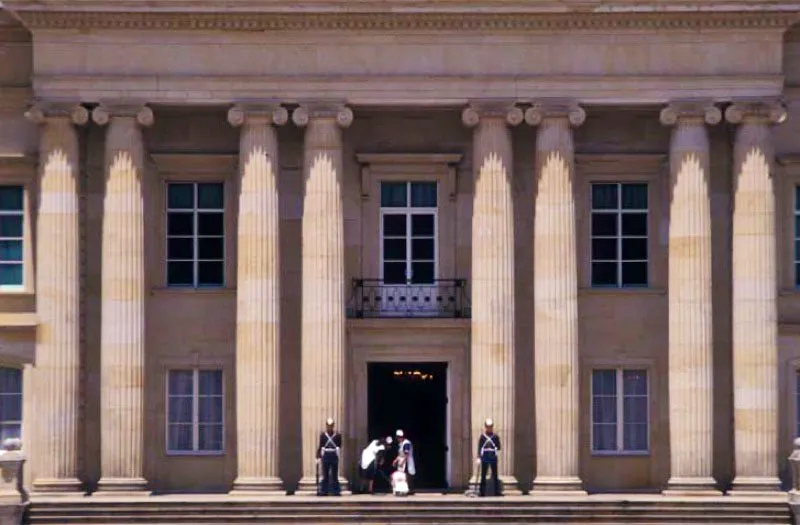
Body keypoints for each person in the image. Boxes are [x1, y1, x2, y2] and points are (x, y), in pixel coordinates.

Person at [316, 417, 342, 496]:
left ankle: (336, 491)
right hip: (326, 455)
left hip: (333, 454)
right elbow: (321, 446)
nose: (330, 427)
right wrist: (318, 456)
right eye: (328, 425)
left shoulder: (337, 435)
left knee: (334, 474)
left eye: (331, 425)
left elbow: (339, 445)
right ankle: (324, 490)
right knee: (325, 474)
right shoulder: (323, 435)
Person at [477, 418, 501, 497]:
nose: (489, 428)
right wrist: (478, 457)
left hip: (493, 457)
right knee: (483, 475)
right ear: (485, 427)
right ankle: (482, 492)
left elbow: (498, 447)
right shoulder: (482, 437)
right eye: (487, 426)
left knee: (495, 475)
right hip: (485, 457)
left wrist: (496, 452)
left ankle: (497, 491)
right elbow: (480, 447)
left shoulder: (495, 437)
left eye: (490, 426)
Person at [393, 429, 416, 495]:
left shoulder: (406, 443)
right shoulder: (401, 444)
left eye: (398, 437)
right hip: (402, 462)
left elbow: (406, 454)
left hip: (407, 462)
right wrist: (396, 460)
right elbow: (400, 454)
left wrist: (403, 461)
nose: (397, 439)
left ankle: (410, 490)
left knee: (407, 475)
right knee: (402, 476)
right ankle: (403, 489)